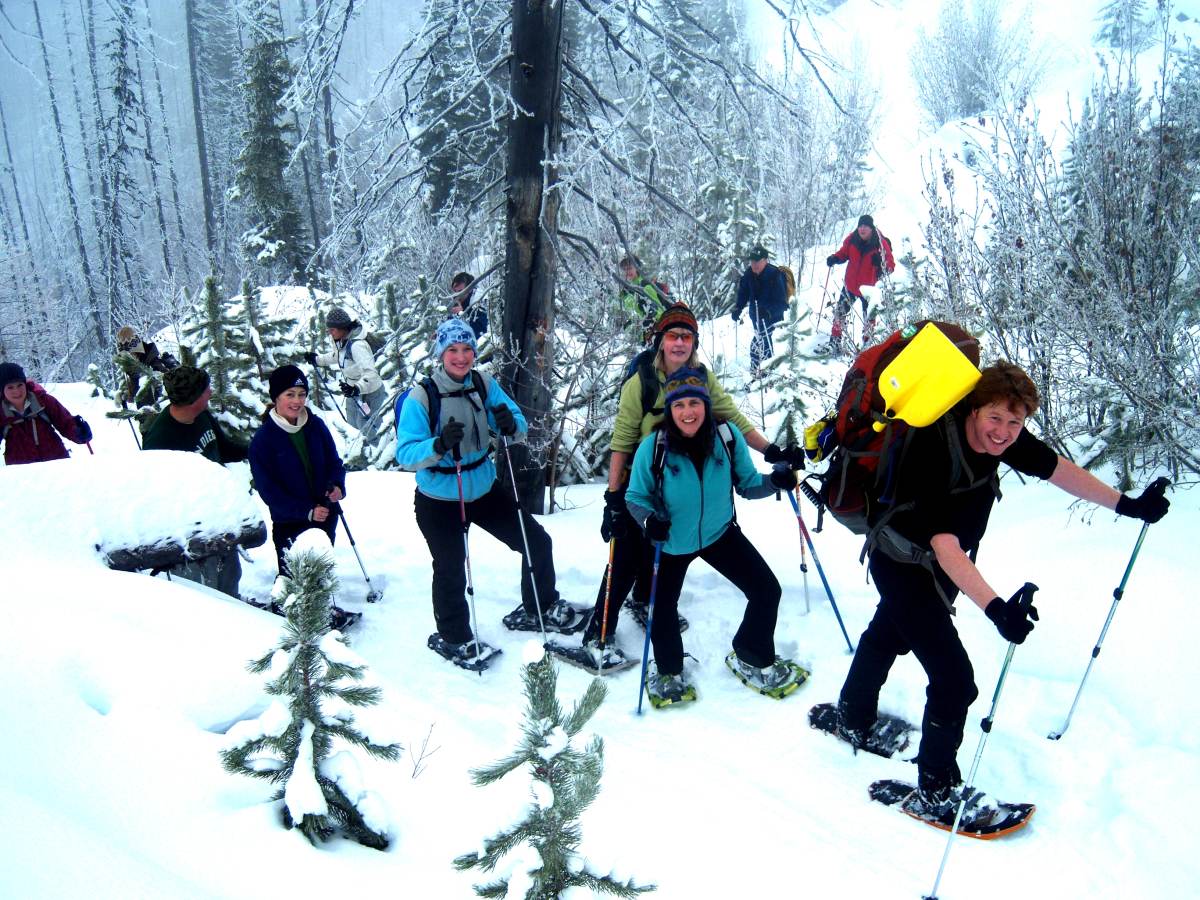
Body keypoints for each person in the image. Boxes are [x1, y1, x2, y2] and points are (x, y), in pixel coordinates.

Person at [832, 361, 1171, 828]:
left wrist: (1126, 505)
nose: (1005, 433)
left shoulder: (1003, 436)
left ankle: (852, 713)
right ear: (973, 409)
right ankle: (936, 790)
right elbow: (945, 545)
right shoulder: (931, 445)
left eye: (1016, 423)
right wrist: (997, 610)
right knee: (955, 681)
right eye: (995, 418)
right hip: (902, 561)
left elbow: (1057, 469)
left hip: (935, 563)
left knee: (890, 633)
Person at [583, 302, 804, 669]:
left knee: (657, 569)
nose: (680, 343)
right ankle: (598, 633)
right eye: (673, 335)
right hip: (644, 478)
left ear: (694, 342)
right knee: (623, 561)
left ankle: (646, 602)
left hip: (689, 477)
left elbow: (730, 416)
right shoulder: (641, 383)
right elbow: (622, 440)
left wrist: (770, 450)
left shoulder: (701, 376)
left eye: (687, 336)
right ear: (660, 340)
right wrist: (614, 497)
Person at [395, 318, 587, 664]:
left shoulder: (483, 383)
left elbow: (516, 423)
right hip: (439, 498)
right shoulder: (421, 397)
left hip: (483, 489)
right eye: (453, 350)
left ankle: (538, 607)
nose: (461, 357)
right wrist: (437, 444)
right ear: (441, 353)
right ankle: (454, 637)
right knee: (451, 566)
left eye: (467, 349)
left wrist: (511, 424)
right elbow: (406, 454)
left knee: (536, 542)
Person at [624, 366, 802, 703]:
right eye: (679, 405)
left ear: (706, 405)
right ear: (670, 410)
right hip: (672, 542)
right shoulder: (654, 447)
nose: (688, 412)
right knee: (662, 609)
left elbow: (749, 486)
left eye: (694, 403)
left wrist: (774, 482)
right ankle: (669, 672)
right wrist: (649, 522)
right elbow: (635, 497)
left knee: (767, 591)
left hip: (720, 533)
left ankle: (752, 651)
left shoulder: (727, 436)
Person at [248, 365, 357, 631]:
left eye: (301, 394)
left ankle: (321, 613)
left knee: (319, 568)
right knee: (292, 577)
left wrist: (337, 486)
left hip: (325, 513)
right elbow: (269, 491)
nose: (297, 401)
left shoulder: (315, 425)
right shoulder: (263, 440)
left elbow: (334, 462)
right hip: (290, 521)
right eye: (290, 394)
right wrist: (305, 511)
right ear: (276, 397)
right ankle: (288, 620)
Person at [142, 365, 248, 597]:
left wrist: (255, 449)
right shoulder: (159, 440)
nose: (210, 392)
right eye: (205, 389)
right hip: (190, 531)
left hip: (219, 515)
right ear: (193, 398)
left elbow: (224, 448)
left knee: (229, 576)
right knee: (204, 591)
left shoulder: (202, 416)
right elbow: (156, 492)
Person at [304, 307, 385, 433]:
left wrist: (356, 388)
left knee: (369, 428)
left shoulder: (357, 346)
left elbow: (371, 374)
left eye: (332, 330)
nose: (330, 333)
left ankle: (378, 451)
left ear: (342, 327)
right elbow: (338, 356)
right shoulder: (342, 341)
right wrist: (317, 360)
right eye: (329, 330)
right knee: (352, 423)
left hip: (370, 392)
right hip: (353, 391)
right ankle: (358, 450)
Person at [826, 215, 895, 351]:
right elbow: (844, 253)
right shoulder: (852, 238)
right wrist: (835, 258)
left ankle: (867, 347)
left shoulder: (880, 243)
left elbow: (890, 265)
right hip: (850, 285)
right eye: (860, 226)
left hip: (869, 289)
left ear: (871, 228)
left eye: (866, 226)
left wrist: (880, 264)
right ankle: (834, 343)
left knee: (869, 319)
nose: (862, 229)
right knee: (840, 313)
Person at [0, 362, 91, 465]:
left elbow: (65, 422)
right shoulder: (1, 412)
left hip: (56, 462)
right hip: (21, 472)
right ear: (2, 390)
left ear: (25, 384)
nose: (16, 391)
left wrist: (78, 432)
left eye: (20, 385)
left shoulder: (43, 401)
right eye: (10, 387)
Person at [732, 245, 788, 375]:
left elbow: (783, 304)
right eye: (752, 261)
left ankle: (760, 371)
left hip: (771, 316)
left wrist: (768, 312)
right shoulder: (748, 274)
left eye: (757, 261)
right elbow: (743, 293)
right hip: (755, 315)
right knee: (762, 340)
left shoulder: (775, 275)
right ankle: (765, 370)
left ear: (765, 260)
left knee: (759, 342)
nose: (754, 264)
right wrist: (738, 308)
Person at [116, 325, 179, 402]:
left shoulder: (150, 358)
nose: (129, 354)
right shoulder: (134, 363)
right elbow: (135, 386)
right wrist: (125, 396)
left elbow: (164, 380)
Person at [617, 255, 668, 342]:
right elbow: (636, 310)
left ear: (637, 268)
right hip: (650, 333)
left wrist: (652, 318)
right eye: (624, 269)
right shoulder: (630, 289)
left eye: (629, 268)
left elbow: (659, 311)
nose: (627, 272)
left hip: (660, 331)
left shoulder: (645, 285)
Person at [449, 272, 489, 338]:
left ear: (470, 289)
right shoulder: (458, 301)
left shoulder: (480, 302)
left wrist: (461, 314)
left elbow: (480, 333)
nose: (457, 295)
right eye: (455, 292)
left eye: (460, 291)